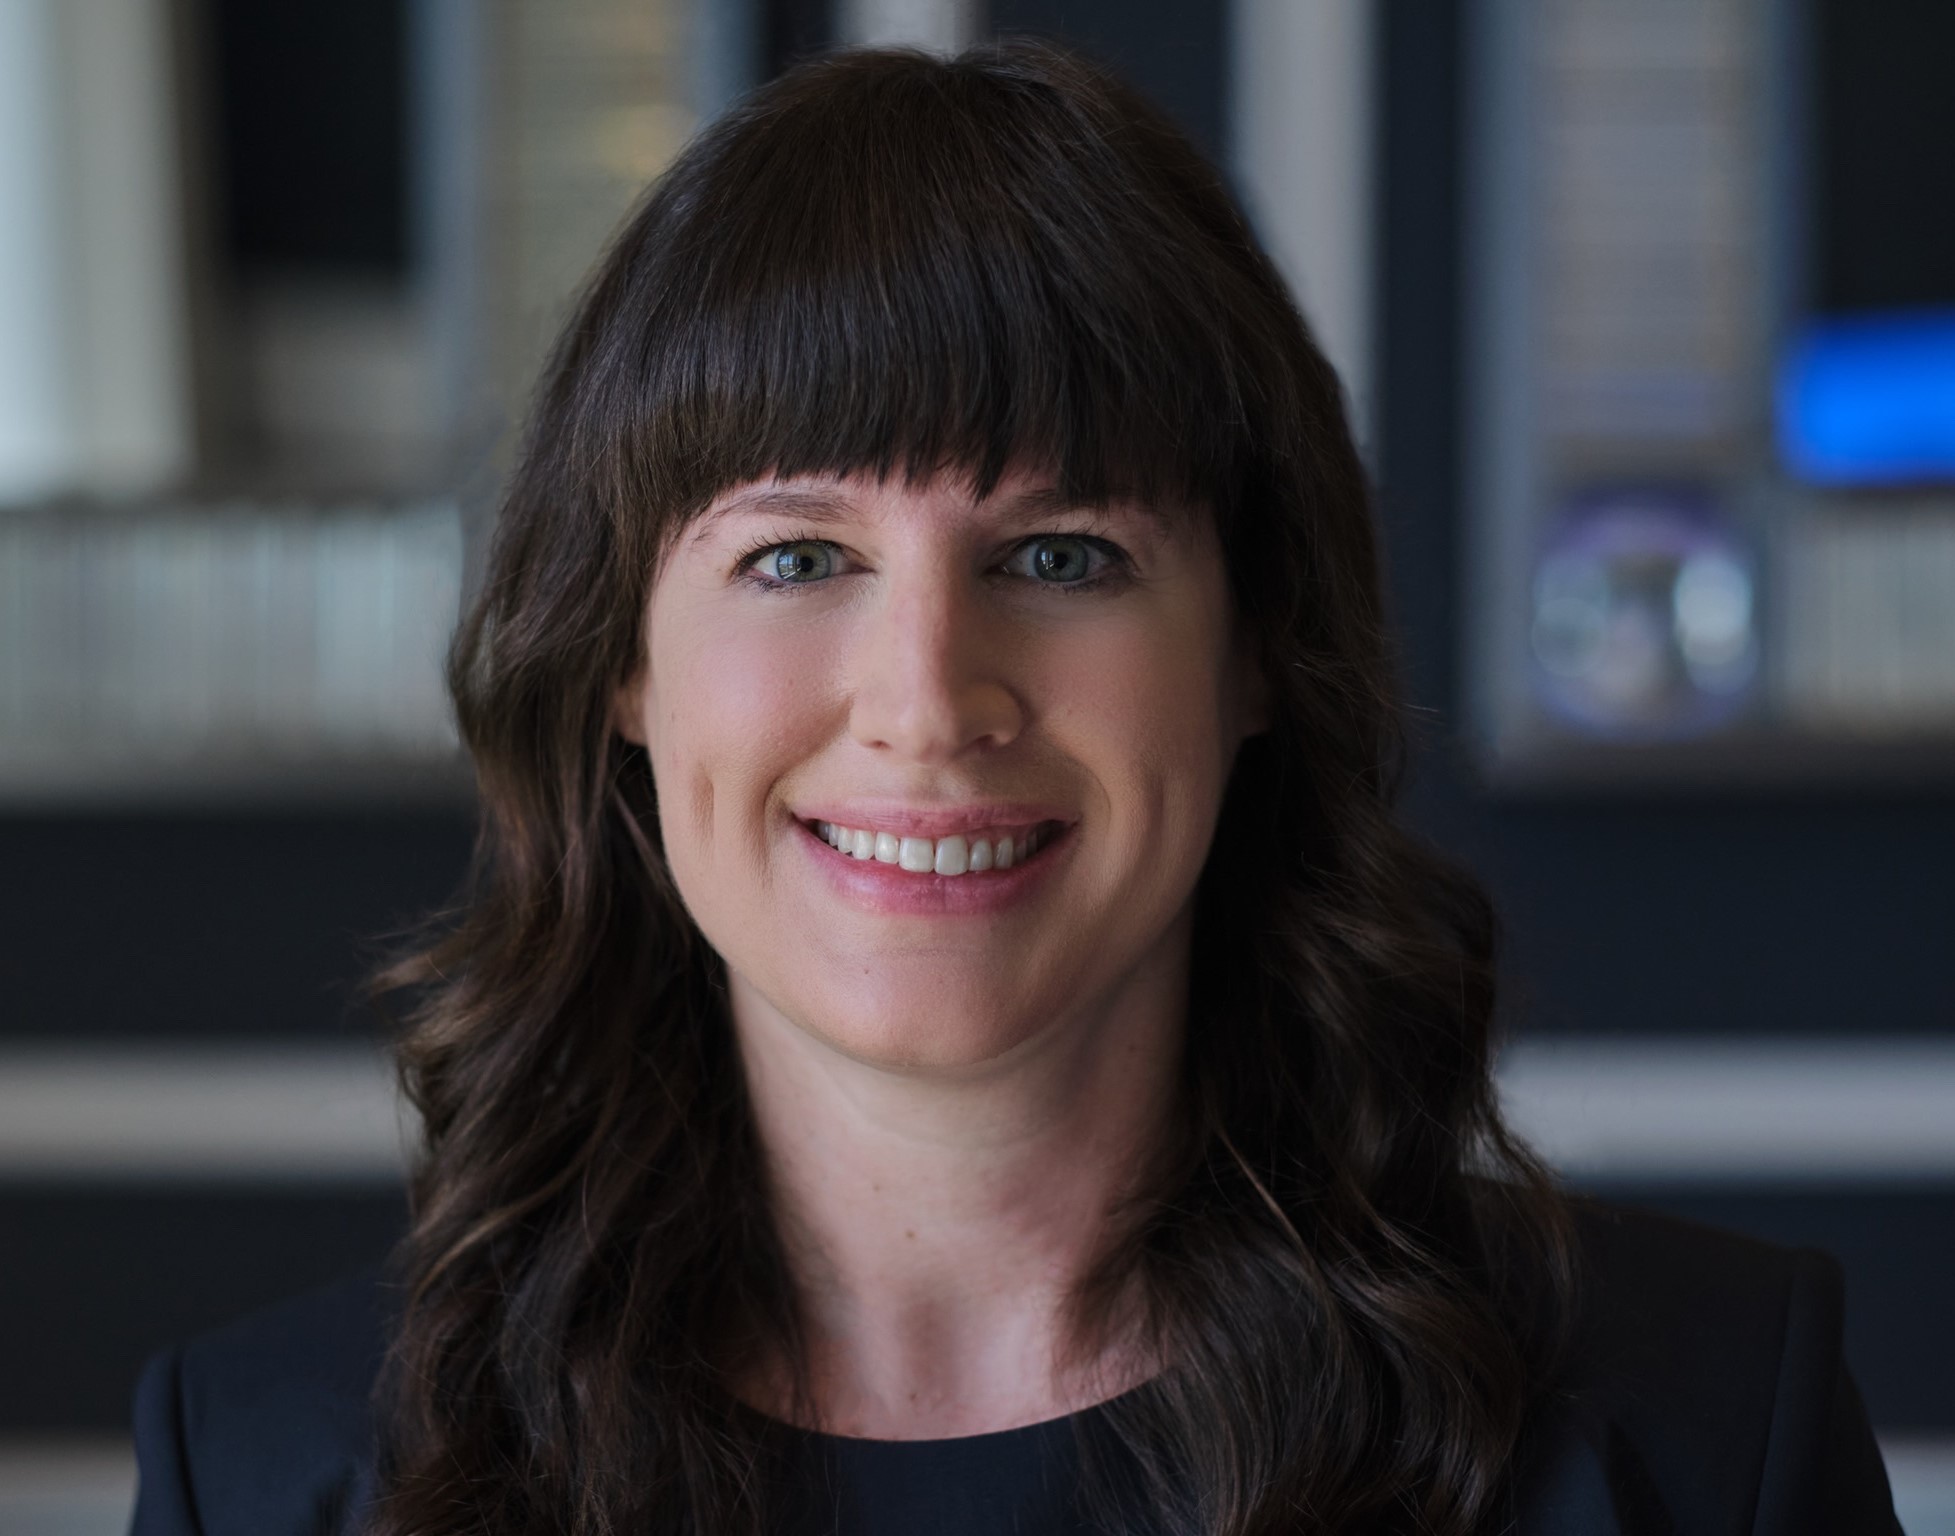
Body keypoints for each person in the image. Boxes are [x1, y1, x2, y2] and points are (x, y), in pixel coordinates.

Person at [127, 40, 1901, 1536]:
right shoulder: (277, 1475)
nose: (925, 701)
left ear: (1261, 649)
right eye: (797, 557)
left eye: (1061, 557)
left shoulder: (1697, 1427)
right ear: (620, 668)